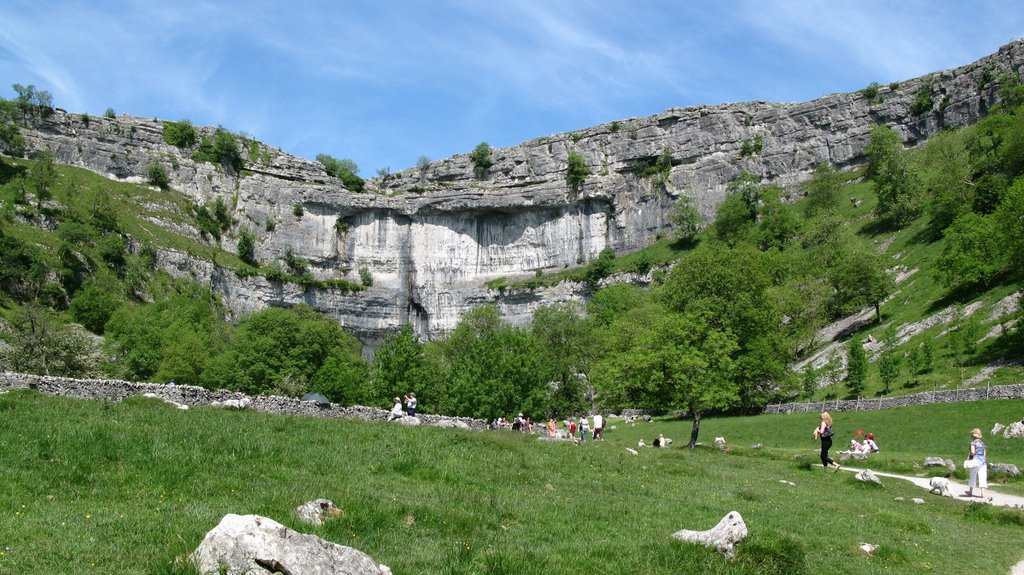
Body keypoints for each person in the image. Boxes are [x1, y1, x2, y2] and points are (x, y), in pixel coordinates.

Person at [966, 428, 989, 500]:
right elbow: (984, 454)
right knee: (982, 477)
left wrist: (970, 455)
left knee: (973, 475)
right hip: (983, 461)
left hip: (975, 460)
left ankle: (970, 491)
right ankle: (983, 493)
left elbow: (973, 452)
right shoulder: (983, 444)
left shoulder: (973, 443)